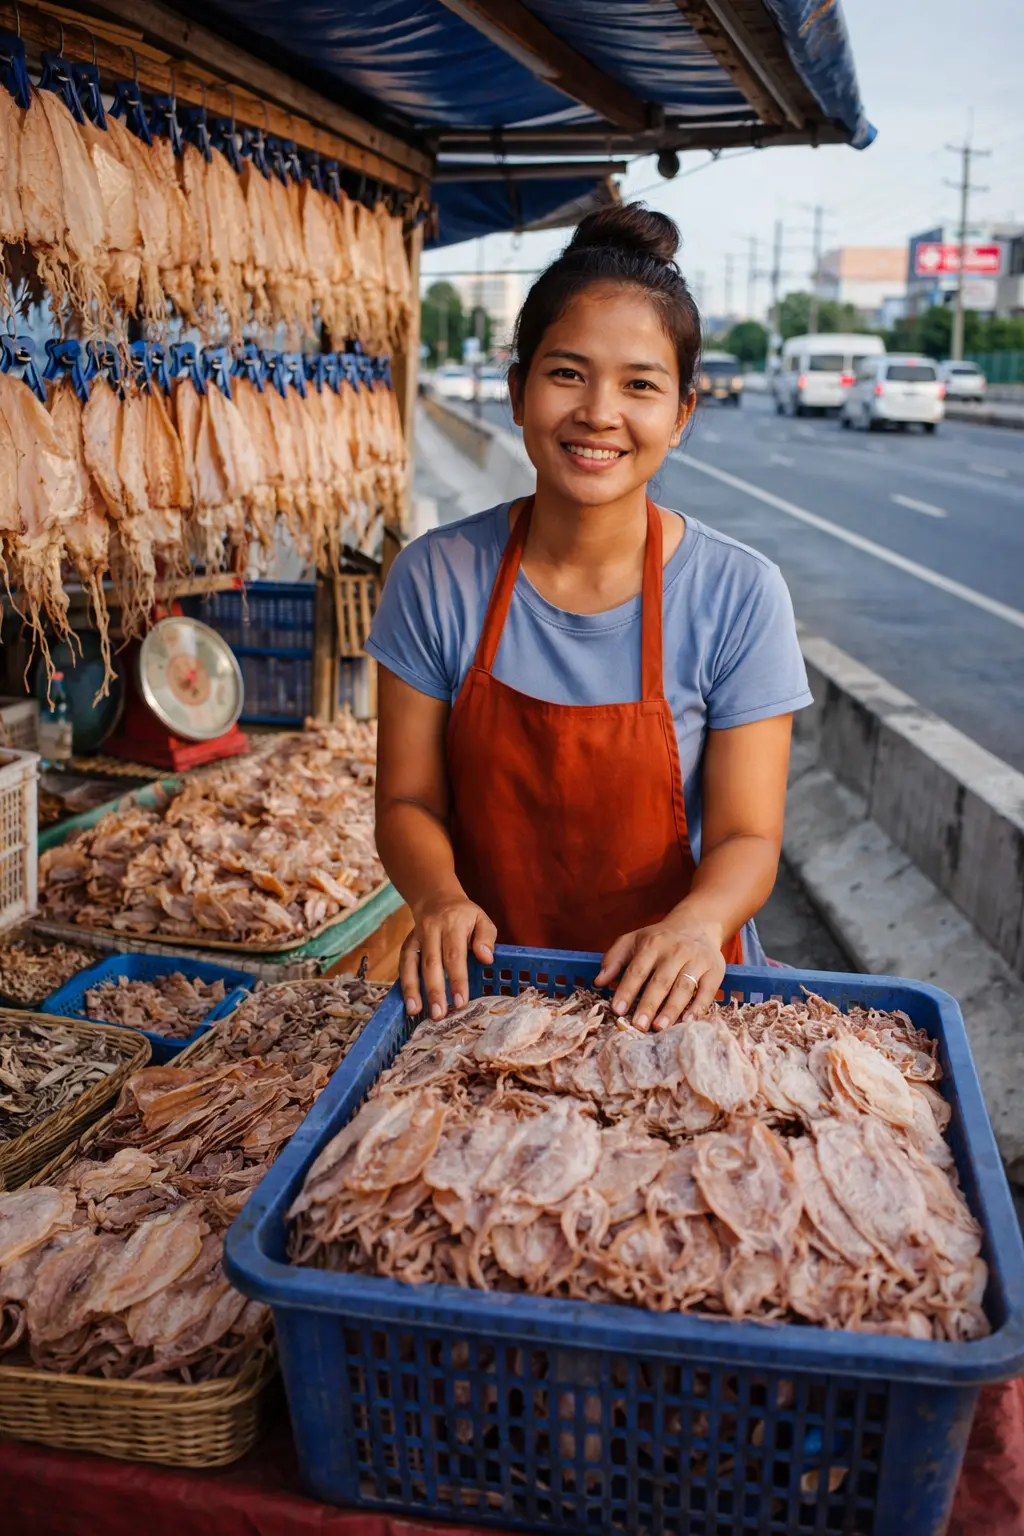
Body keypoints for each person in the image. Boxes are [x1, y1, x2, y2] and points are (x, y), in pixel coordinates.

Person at [368, 202, 812, 1032]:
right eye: (567, 373)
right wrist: (437, 899)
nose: (599, 412)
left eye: (640, 385)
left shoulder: (740, 594)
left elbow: (750, 836)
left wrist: (698, 925)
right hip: (489, 998)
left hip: (680, 1004)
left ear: (680, 415)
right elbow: (408, 804)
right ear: (517, 390)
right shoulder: (435, 577)